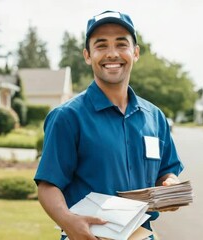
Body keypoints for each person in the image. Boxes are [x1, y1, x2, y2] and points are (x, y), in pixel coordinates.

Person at [34, 10, 184, 240]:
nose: (112, 54)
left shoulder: (155, 117)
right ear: (87, 55)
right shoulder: (67, 117)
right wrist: (68, 222)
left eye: (121, 44)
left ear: (135, 52)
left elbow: (167, 171)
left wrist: (170, 186)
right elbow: (47, 185)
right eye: (101, 45)